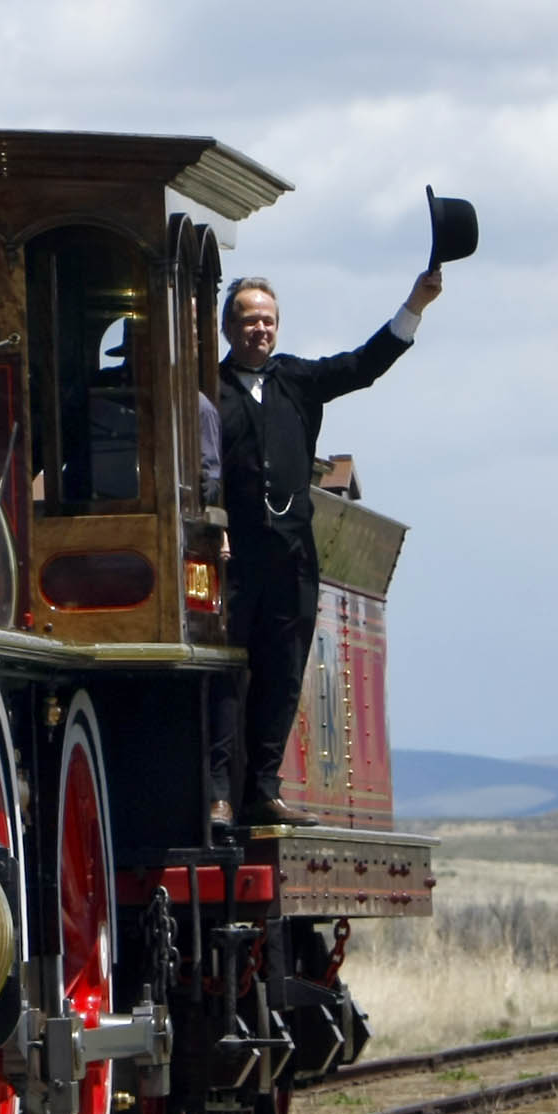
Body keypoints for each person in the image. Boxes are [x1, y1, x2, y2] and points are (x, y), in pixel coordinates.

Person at [212, 267, 443, 830]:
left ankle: (262, 790)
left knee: (283, 672)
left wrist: (416, 303)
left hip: (292, 556)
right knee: (223, 674)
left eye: (268, 321)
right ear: (228, 329)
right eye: (249, 321)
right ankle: (218, 793)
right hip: (232, 555)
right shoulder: (207, 389)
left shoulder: (295, 380)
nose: (259, 330)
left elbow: (363, 366)